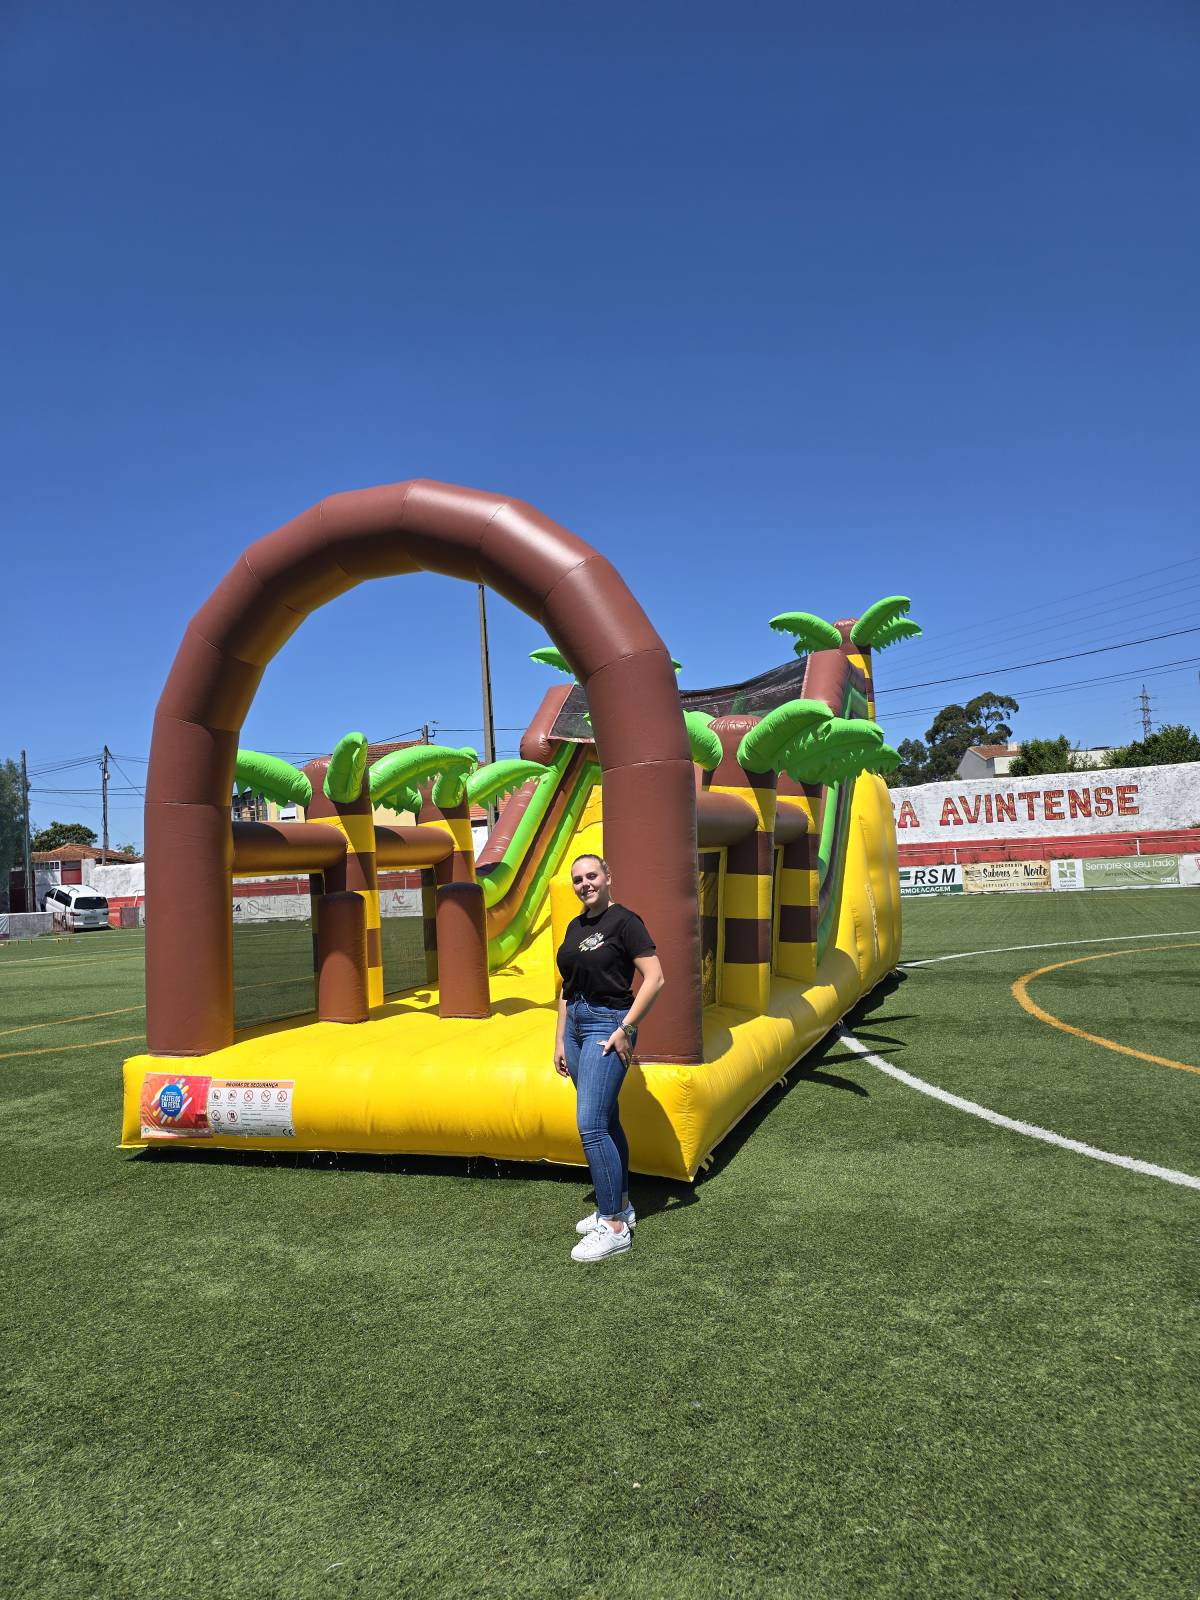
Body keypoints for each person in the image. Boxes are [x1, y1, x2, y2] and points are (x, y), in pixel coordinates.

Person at [554, 853, 665, 1262]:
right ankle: (621, 1206)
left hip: (608, 1023)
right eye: (578, 880)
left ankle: (614, 1225)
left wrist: (627, 1029)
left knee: (591, 1125)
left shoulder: (625, 922)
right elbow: (566, 986)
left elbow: (655, 978)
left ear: (607, 876)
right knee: (608, 1119)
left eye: (592, 876)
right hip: (577, 1026)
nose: (585, 884)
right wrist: (560, 1040)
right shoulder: (574, 925)